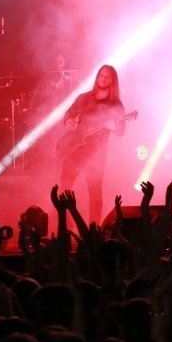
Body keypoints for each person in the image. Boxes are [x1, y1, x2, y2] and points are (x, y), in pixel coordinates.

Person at [56, 64, 127, 223]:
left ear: (113, 81)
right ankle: (66, 224)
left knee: (94, 191)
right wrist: (69, 121)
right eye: (101, 75)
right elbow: (69, 113)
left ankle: (93, 228)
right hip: (74, 149)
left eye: (107, 76)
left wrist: (114, 127)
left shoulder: (115, 105)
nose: (103, 78)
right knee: (65, 184)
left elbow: (121, 131)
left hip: (96, 154)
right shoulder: (84, 98)